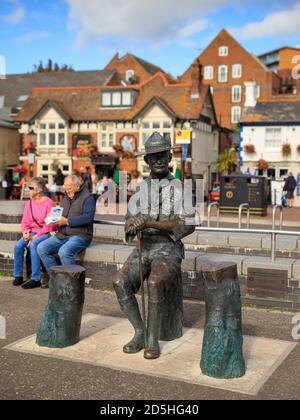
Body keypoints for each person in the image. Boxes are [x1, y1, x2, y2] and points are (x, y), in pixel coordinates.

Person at [113, 132, 196, 360]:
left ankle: (153, 340)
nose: (157, 160)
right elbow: (129, 222)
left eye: (162, 155)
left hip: (167, 249)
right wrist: (133, 224)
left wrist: (152, 223)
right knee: (120, 281)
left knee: (155, 282)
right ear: (147, 161)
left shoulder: (181, 188)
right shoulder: (141, 189)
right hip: (144, 247)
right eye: (153, 157)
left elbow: (188, 223)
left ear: (169, 157)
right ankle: (140, 332)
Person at [37, 175, 96, 288]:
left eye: (69, 188)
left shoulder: (88, 198)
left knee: (64, 252)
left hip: (81, 235)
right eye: (65, 187)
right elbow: (61, 215)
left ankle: (72, 285)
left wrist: (67, 221)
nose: (66, 190)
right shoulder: (66, 197)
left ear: (77, 186)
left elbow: (88, 217)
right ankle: (57, 282)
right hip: (63, 234)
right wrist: (53, 217)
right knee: (42, 248)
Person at [12, 177, 56, 289]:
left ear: (39, 189)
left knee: (33, 246)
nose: (28, 190)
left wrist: (36, 236)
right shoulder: (29, 203)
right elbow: (25, 221)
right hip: (31, 232)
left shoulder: (49, 203)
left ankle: (35, 278)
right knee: (18, 246)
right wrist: (25, 233)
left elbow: (51, 225)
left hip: (45, 233)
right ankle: (18, 276)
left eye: (30, 188)